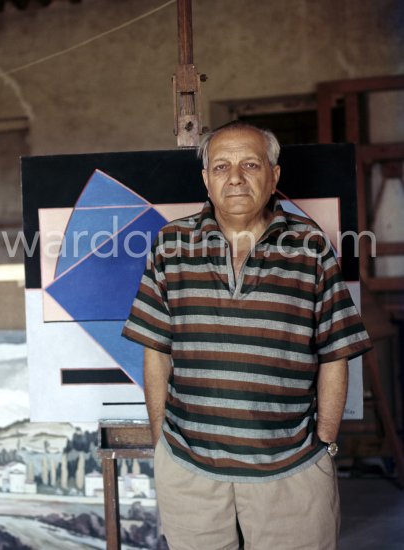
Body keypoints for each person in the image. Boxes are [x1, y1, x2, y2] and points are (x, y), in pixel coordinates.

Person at [122, 121, 372, 550]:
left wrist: (324, 443)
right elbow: (156, 351)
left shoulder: (310, 246)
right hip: (190, 470)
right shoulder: (170, 246)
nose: (234, 177)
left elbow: (335, 352)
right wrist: (162, 440)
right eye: (220, 166)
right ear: (205, 179)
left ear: (274, 175)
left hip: (292, 470)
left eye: (250, 164)